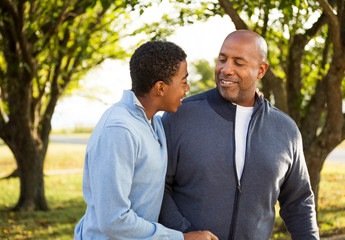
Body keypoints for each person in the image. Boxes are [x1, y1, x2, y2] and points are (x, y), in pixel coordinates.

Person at [159, 30, 320, 240]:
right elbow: (157, 186)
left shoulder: (285, 129)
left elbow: (299, 201)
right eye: (222, 59)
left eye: (238, 63)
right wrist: (185, 233)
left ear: (261, 70)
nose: (226, 70)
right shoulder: (180, 115)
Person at [74, 41, 218, 240]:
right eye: (183, 81)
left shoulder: (154, 122)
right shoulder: (119, 130)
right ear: (160, 88)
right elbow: (113, 220)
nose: (187, 88)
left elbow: (196, 111)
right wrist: (183, 238)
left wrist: (249, 103)